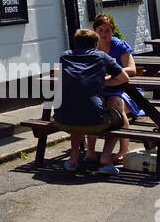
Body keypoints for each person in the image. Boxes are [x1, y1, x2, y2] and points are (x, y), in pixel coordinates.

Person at [53, 27, 131, 174]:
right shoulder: (101, 56)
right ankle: (106, 158)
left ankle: (73, 159)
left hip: (61, 119)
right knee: (118, 118)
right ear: (96, 44)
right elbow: (124, 78)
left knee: (76, 110)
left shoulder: (65, 56)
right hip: (93, 120)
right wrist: (102, 82)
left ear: (75, 43)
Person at [86, 14, 142, 165]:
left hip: (124, 89)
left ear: (113, 31)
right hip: (101, 89)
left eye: (107, 31)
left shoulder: (119, 46)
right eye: (100, 30)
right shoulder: (91, 46)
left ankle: (124, 148)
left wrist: (110, 76)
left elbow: (131, 70)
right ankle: (90, 151)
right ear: (94, 30)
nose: (104, 34)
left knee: (115, 104)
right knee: (93, 105)